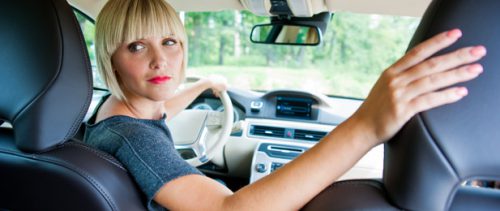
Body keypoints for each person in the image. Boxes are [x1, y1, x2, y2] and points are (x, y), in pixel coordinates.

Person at [84, 0, 487, 210]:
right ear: (110, 56)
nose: (160, 60)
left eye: (169, 42)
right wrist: (366, 124)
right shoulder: (137, 140)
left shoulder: (112, 114)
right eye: (137, 46)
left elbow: (162, 108)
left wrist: (204, 84)